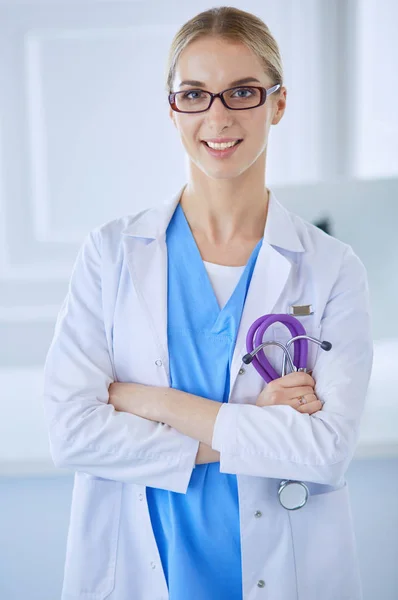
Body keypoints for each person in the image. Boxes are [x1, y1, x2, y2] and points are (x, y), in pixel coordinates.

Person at [43, 6, 373, 600]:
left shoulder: (331, 269)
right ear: (172, 110)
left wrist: (149, 401)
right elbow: (71, 433)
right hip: (143, 574)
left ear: (278, 103)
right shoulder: (113, 254)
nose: (217, 116)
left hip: (289, 572)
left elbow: (325, 452)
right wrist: (261, 428)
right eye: (194, 94)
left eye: (242, 91)